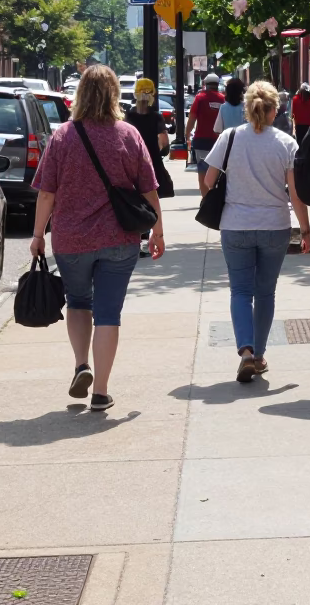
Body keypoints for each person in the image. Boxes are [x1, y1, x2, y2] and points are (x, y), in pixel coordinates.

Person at [29, 65, 165, 412]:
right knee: (108, 313)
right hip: (119, 239)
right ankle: (101, 392)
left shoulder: (63, 136)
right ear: (115, 94)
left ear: (80, 95)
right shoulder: (128, 135)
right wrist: (158, 231)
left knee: (78, 301)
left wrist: (37, 236)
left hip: (70, 239)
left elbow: (46, 193)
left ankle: (80, 364)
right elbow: (149, 190)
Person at [204, 81, 310, 382]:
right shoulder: (286, 143)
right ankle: (261, 355)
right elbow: (296, 193)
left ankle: (246, 353)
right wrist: (305, 230)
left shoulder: (229, 137)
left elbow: (208, 180)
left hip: (235, 225)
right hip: (274, 226)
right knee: (265, 292)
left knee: (240, 291)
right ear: (274, 109)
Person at [124, 78, 175, 257]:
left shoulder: (129, 116)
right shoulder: (156, 117)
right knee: (150, 201)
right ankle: (147, 239)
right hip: (151, 163)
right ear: (152, 94)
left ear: (135, 94)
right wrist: (158, 151)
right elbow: (163, 141)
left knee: (134, 201)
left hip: (130, 164)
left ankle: (137, 238)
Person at [185, 73, 225, 194]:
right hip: (219, 141)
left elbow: (192, 118)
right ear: (217, 85)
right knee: (218, 172)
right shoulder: (223, 99)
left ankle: (205, 200)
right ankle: (216, 197)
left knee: (202, 171)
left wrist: (187, 135)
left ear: (205, 84)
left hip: (201, 141)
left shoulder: (200, 98)